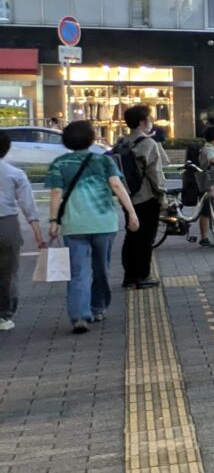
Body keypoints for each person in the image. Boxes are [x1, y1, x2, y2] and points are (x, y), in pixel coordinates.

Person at [46, 120, 138, 334]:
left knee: (78, 271)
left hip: (74, 225)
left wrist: (53, 221)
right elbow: (116, 185)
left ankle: (79, 315)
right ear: (91, 138)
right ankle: (98, 308)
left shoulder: (59, 164)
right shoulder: (103, 161)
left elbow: (56, 194)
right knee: (102, 268)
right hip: (104, 222)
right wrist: (131, 213)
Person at [116, 104, 168, 290]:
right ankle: (143, 276)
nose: (151, 122)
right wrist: (162, 195)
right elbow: (155, 173)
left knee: (131, 236)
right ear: (142, 122)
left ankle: (129, 276)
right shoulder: (147, 143)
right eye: (149, 118)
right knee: (146, 239)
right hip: (146, 197)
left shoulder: (122, 142)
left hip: (128, 196)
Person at [0, 131, 47, 331]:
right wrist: (38, 234)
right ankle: (4, 314)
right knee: (8, 271)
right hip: (6, 225)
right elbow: (28, 206)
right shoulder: (14, 173)